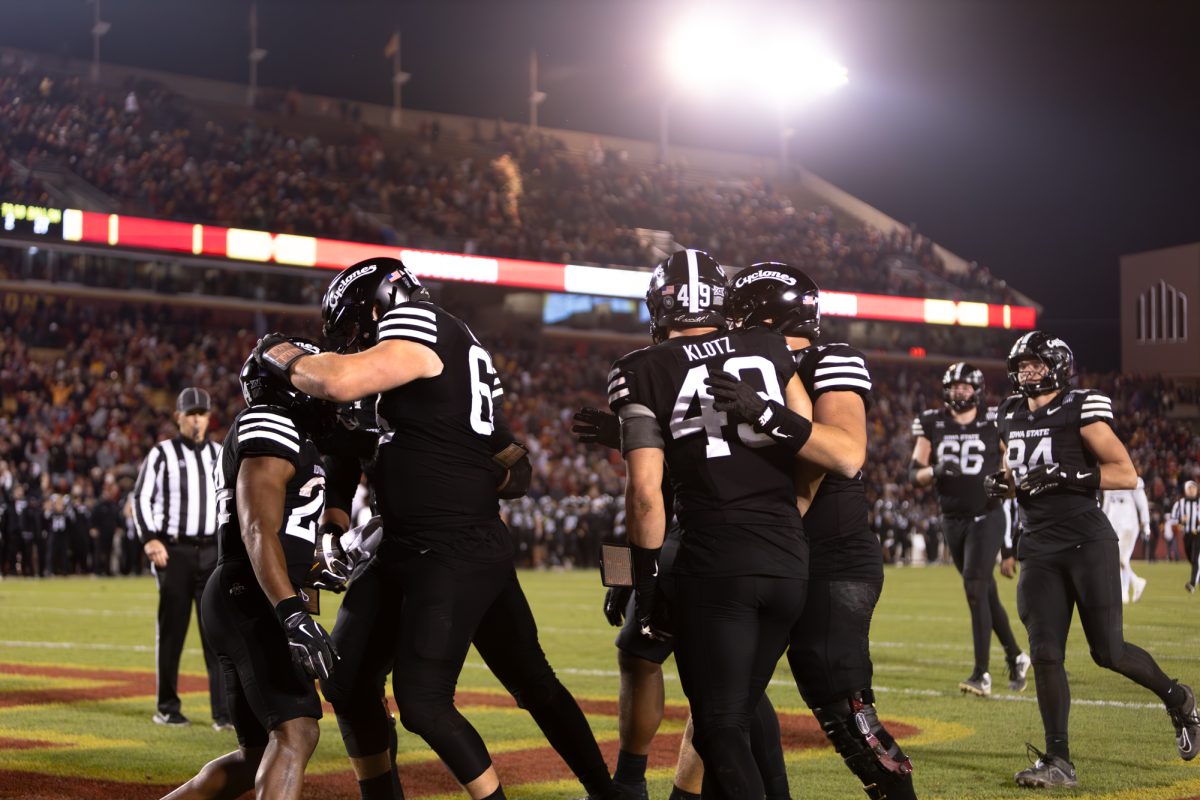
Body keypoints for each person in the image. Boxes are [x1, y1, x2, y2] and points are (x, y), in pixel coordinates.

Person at [256, 257, 613, 800]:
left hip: (453, 548)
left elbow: (336, 380)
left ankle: (606, 793)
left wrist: (278, 354)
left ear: (380, 302)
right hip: (412, 545)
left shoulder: (420, 320)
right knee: (347, 681)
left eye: (355, 326)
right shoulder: (418, 366)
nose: (353, 341)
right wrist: (335, 521)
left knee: (434, 699)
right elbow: (361, 448)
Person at [608, 249, 811, 800]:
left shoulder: (639, 369)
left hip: (713, 554)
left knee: (719, 722)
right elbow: (804, 436)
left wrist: (635, 580)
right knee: (736, 711)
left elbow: (645, 495)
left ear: (661, 304)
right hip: (788, 556)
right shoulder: (769, 346)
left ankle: (632, 785)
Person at [717, 261, 916, 800]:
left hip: (829, 552)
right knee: (727, 702)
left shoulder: (829, 358)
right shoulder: (739, 361)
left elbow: (847, 454)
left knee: (842, 706)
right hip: (769, 550)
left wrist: (764, 412)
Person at [986, 330, 1200, 788]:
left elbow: (1126, 474)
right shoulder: (1008, 413)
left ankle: (1177, 697)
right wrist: (1002, 484)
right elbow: (1016, 474)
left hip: (1086, 540)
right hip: (1037, 545)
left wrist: (1068, 472)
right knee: (1045, 653)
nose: (1027, 372)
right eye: (1021, 365)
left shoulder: (1080, 406)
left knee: (1109, 651)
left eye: (1036, 364)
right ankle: (1058, 760)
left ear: (1058, 367)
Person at [163, 344, 337, 800]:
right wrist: (292, 614)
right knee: (297, 733)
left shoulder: (292, 433)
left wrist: (320, 566)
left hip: (247, 593)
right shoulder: (269, 419)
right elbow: (258, 529)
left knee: (255, 754)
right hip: (252, 596)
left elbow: (283, 532)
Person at [910, 362, 1028, 696]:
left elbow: (1011, 474)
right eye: (954, 386)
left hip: (986, 515)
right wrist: (934, 470)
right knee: (984, 590)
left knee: (975, 588)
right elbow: (913, 473)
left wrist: (1008, 546)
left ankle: (981, 674)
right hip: (952, 519)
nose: (960, 391)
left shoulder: (994, 421)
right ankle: (1016, 656)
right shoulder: (932, 421)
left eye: (965, 386)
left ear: (976, 390)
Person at [133, 386, 230, 730]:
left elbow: (229, 503)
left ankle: (224, 713)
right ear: (178, 417)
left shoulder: (220, 453)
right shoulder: (162, 454)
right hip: (173, 552)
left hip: (211, 552)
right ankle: (167, 707)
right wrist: (150, 539)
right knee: (172, 632)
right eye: (190, 414)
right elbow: (142, 497)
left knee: (216, 633)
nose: (197, 420)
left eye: (202, 414)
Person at [1101, 477, 1151, 602]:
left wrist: (1146, 524)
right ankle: (1134, 584)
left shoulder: (1133, 479)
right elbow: (1106, 504)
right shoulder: (1108, 478)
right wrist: (1100, 523)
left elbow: (1142, 504)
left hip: (1128, 522)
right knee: (1117, 558)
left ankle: (1125, 590)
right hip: (1112, 522)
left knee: (1122, 558)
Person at [1170, 480, 1200, 591]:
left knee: (1195, 558)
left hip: (1198, 534)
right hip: (1186, 534)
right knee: (1190, 557)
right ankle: (1197, 576)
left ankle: (1192, 584)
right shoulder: (1180, 503)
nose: (1192, 490)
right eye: (1190, 488)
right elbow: (1173, 518)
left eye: (1194, 488)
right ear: (1186, 490)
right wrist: (1181, 521)